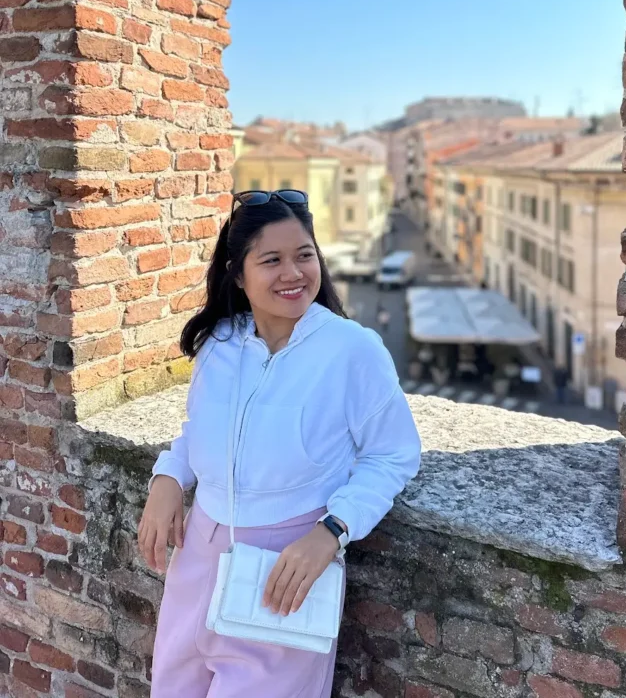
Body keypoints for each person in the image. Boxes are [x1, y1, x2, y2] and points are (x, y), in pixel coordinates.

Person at [139, 190, 422, 698]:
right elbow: (201, 430)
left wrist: (332, 530)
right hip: (196, 559)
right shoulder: (219, 344)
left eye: (305, 255)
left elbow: (393, 454)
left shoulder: (352, 350)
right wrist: (169, 474)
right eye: (271, 260)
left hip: (283, 571)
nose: (293, 273)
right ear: (237, 272)